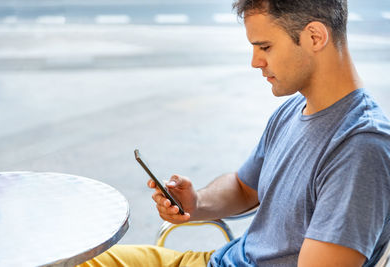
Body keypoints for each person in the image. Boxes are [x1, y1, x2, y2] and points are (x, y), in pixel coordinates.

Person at [78, 0, 390, 266]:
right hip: (218, 259)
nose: (255, 62)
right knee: (74, 259)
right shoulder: (293, 111)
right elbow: (244, 188)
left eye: (265, 46)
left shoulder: (361, 148)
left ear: (314, 36)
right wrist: (197, 201)